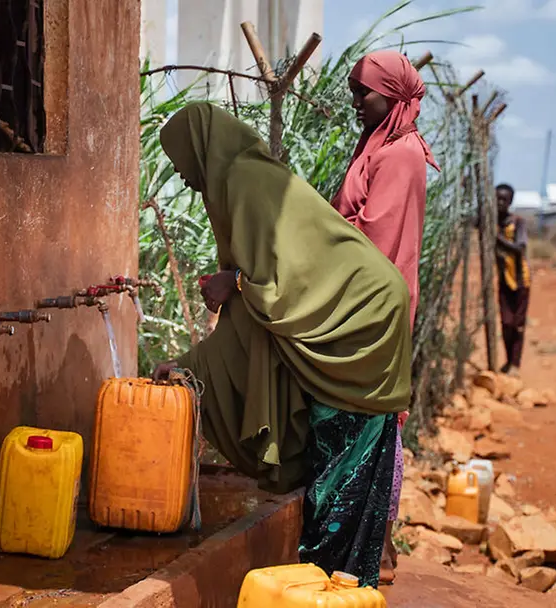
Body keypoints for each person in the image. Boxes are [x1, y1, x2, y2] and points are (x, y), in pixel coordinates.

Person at [151, 102, 412, 587]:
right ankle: (337, 586)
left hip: (359, 321)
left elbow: (275, 289)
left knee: (341, 475)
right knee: (338, 475)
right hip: (355, 313)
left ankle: (331, 585)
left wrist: (236, 283)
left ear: (201, 148)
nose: (183, 176)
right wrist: (189, 366)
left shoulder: (244, 182)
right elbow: (253, 316)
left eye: (181, 160)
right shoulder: (238, 183)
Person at [329, 49, 439, 584]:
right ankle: (365, 544)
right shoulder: (378, 144)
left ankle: (370, 547)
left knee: (369, 418)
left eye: (363, 92)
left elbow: (377, 240)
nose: (355, 101)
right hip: (360, 300)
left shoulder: (400, 154)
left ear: (392, 94)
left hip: (373, 307)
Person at [494, 183, 531, 376]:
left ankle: (515, 364)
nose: (500, 203)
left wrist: (497, 239)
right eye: (497, 199)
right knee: (506, 323)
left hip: (520, 280)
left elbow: (519, 248)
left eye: (504, 200)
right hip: (504, 280)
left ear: (510, 202)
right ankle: (509, 361)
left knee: (517, 324)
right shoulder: (491, 221)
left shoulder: (517, 222)